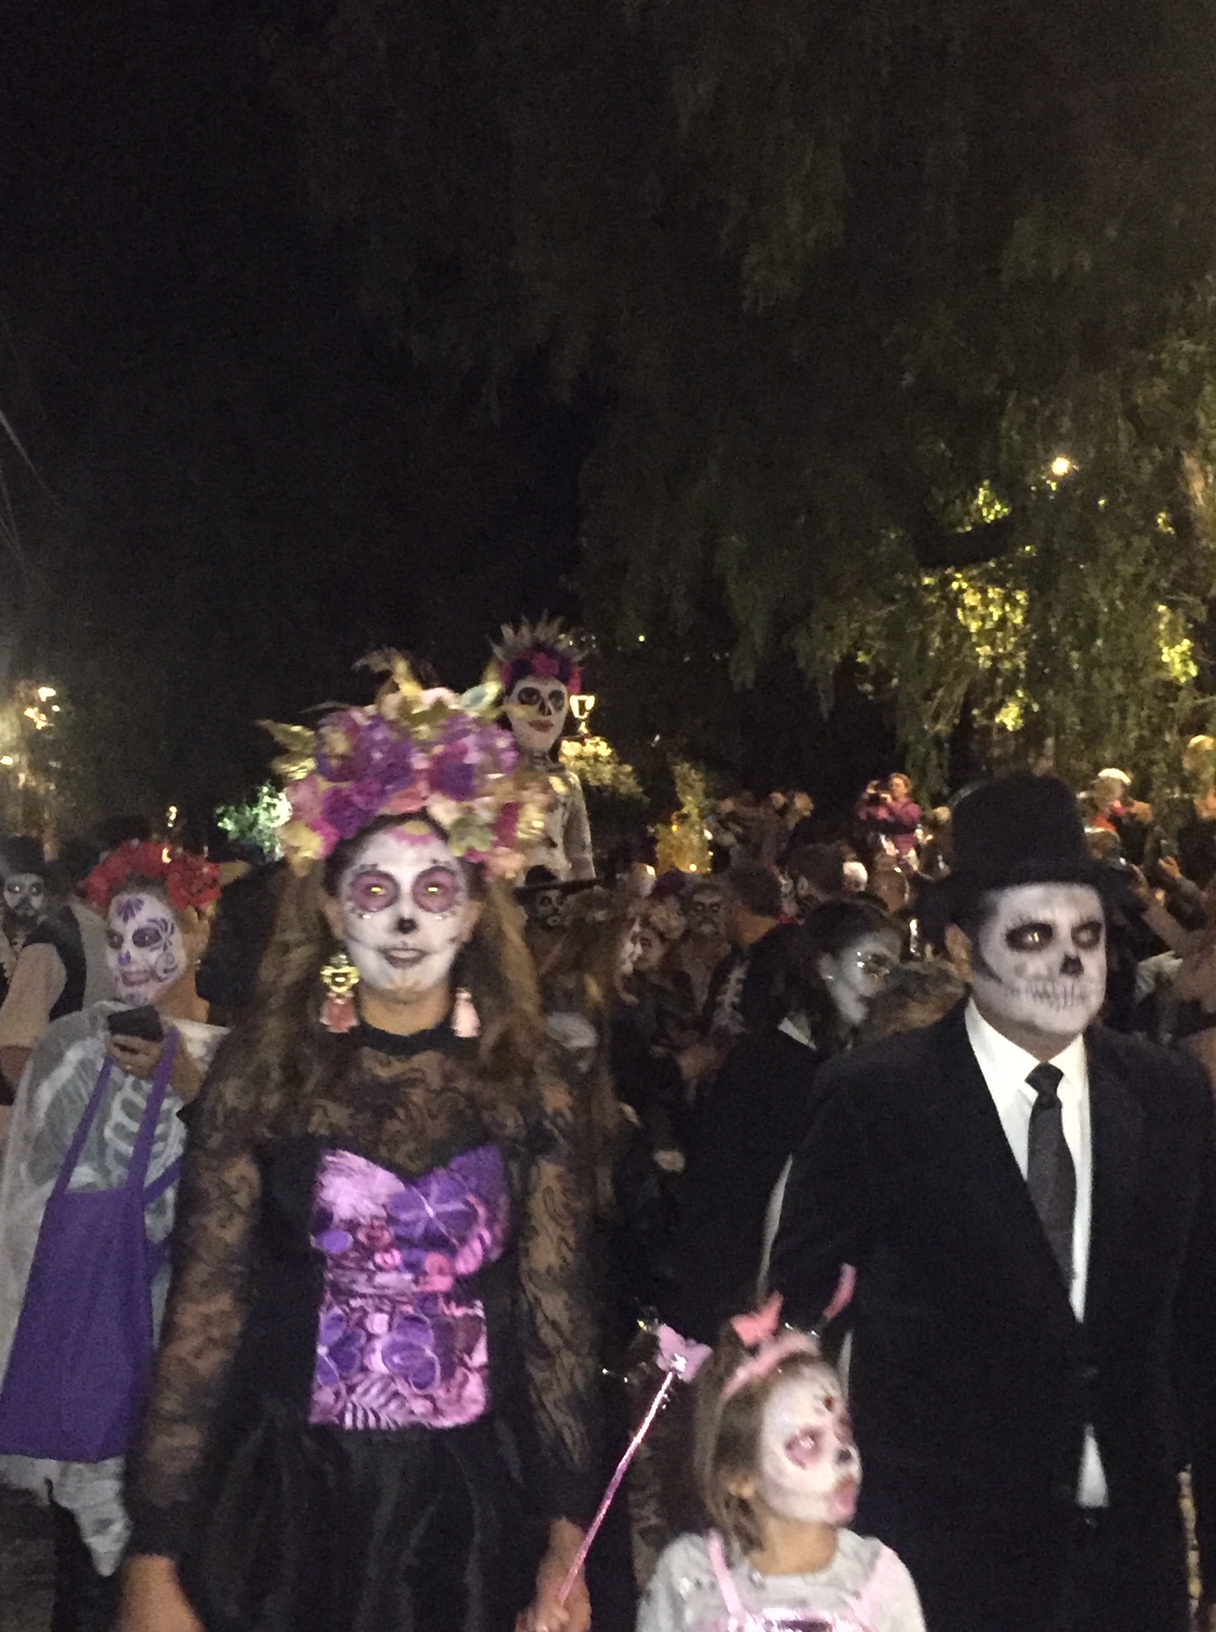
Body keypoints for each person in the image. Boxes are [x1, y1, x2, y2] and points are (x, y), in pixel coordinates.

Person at [117, 657, 599, 1632]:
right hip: (291, 1506)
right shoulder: (265, 1072)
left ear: (474, 911)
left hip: (469, 1515)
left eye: (437, 887)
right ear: (335, 911)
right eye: (376, 888)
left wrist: (566, 1532)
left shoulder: (531, 1080)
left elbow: (556, 1317)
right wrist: (156, 1545)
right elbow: (207, 1308)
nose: (408, 917)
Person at [771, 774, 1216, 1632]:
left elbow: (1204, 1330)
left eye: (1089, 935)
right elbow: (800, 1325)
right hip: (944, 1568)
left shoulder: (1167, 1096)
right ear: (963, 949)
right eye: (1035, 936)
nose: (1071, 962)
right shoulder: (877, 1099)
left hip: (1132, 1568)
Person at [0, 840, 222, 1632]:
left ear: (197, 932)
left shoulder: (242, 1061)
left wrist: (197, 1091)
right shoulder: (71, 1051)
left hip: (192, 1375)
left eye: (152, 934)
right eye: (118, 939)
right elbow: (27, 1216)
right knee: (88, 1593)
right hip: (94, 1360)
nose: (133, 960)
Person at [638, 1295, 924, 1632]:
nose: (843, 1453)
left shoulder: (881, 1580)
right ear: (740, 1477)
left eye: (843, 1431)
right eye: (808, 1441)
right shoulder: (690, 1575)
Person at [493, 615, 595, 881]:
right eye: (531, 696)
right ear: (509, 703)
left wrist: (589, 898)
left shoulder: (568, 782)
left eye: (556, 699)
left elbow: (580, 854)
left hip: (557, 893)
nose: (545, 710)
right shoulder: (490, 773)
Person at [854, 775, 921, 861]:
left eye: (897, 785)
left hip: (905, 854)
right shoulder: (882, 808)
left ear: (906, 789)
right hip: (884, 855)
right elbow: (861, 815)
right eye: (891, 785)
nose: (893, 788)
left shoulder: (913, 807)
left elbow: (907, 821)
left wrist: (891, 804)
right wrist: (866, 795)